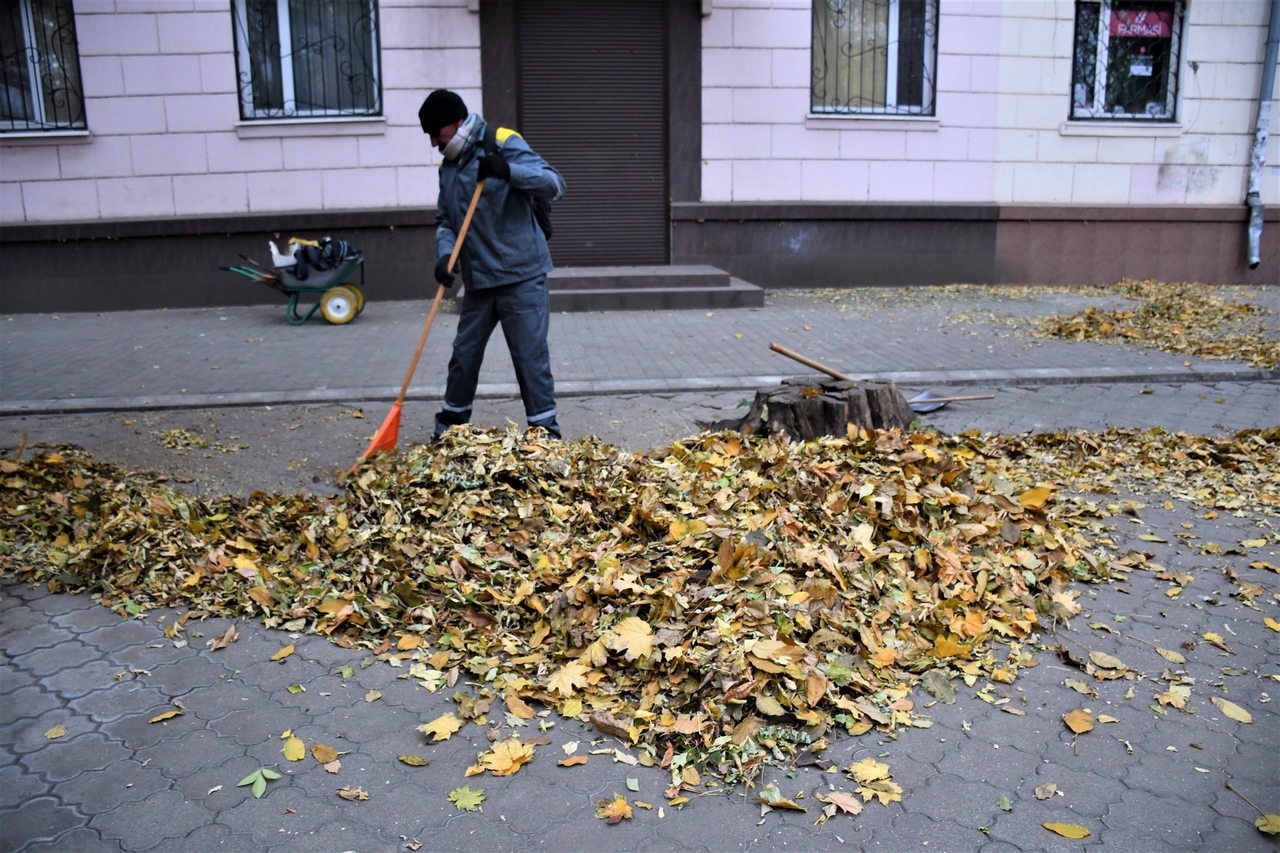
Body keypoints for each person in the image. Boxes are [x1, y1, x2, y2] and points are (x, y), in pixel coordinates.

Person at [418, 89, 566, 441]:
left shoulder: (500, 141)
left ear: (455, 124)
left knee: (529, 358)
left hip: (522, 274)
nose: (433, 143)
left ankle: (545, 434)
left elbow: (553, 183)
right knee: (464, 355)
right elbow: (444, 220)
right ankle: (451, 427)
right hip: (479, 280)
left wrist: (507, 170)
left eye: (435, 134)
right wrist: (445, 254)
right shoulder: (448, 168)